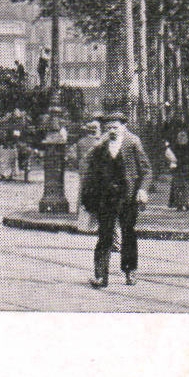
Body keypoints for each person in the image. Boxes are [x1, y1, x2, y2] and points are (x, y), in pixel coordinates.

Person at [80, 111, 153, 288]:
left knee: (128, 234)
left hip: (127, 197)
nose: (112, 130)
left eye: (115, 127)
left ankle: (130, 271)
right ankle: (100, 275)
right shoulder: (103, 144)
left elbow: (147, 171)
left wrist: (142, 190)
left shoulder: (133, 142)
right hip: (106, 197)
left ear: (123, 126)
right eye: (109, 127)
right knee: (104, 235)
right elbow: (87, 162)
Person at [72, 119, 103, 233]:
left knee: (83, 193)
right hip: (96, 172)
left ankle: (81, 222)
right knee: (97, 195)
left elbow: (77, 159)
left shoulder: (81, 142)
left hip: (84, 172)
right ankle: (95, 223)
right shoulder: (99, 142)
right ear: (96, 131)